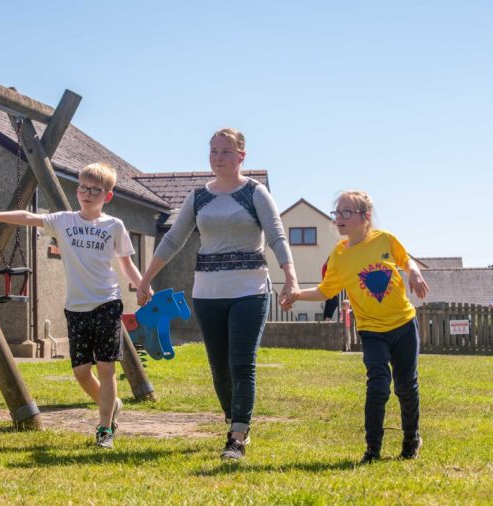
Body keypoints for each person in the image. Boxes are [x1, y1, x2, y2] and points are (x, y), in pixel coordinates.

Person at [137, 128, 299, 460]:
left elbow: (277, 236)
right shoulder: (199, 197)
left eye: (225, 151)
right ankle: (235, 416)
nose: (218, 157)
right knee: (219, 367)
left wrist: (290, 278)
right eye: (213, 151)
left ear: (242, 155)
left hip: (249, 290)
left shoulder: (255, 193)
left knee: (242, 363)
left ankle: (237, 434)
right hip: (208, 292)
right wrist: (145, 278)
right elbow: (173, 239)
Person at [0, 162, 145, 449]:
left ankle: (104, 428)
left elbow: (126, 263)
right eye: (83, 188)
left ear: (107, 196)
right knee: (81, 372)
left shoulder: (114, 226)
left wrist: (142, 285)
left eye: (95, 190)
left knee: (106, 368)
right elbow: (27, 215)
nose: (87, 194)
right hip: (76, 307)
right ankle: (111, 406)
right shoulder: (63, 221)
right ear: (78, 190)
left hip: (107, 303)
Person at [286, 190, 429, 464]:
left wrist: (414, 271)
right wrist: (296, 294)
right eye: (337, 212)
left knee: (405, 386)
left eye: (346, 212)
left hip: (403, 325)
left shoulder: (385, 239)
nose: (339, 217)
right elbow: (326, 291)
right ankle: (372, 450)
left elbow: (405, 260)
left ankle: (411, 439)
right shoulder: (339, 256)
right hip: (372, 331)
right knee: (378, 386)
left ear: (365, 218)